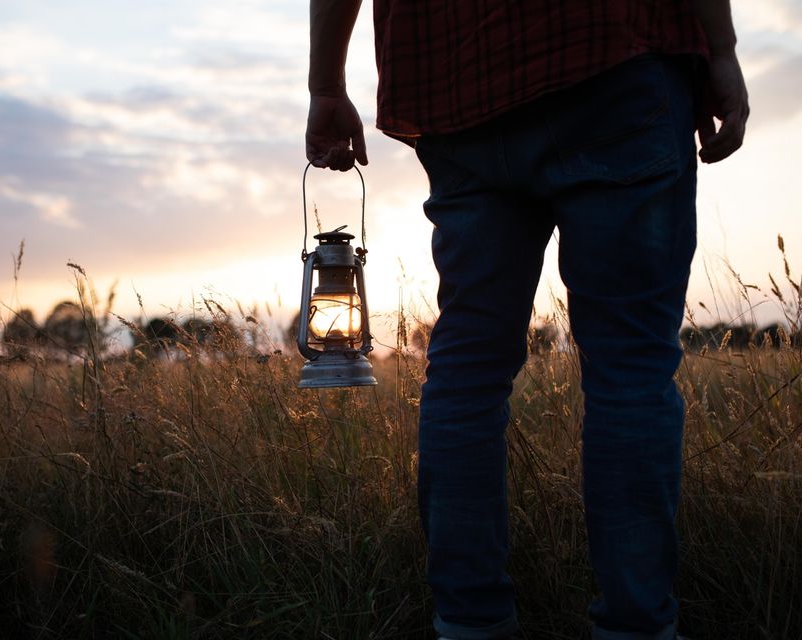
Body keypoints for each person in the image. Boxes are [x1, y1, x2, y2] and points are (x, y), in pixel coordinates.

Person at [305, 1, 748, 639]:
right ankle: (636, 625)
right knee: (629, 368)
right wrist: (721, 49)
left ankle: (469, 622)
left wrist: (326, 86)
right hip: (608, 51)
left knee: (467, 370)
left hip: (456, 86)